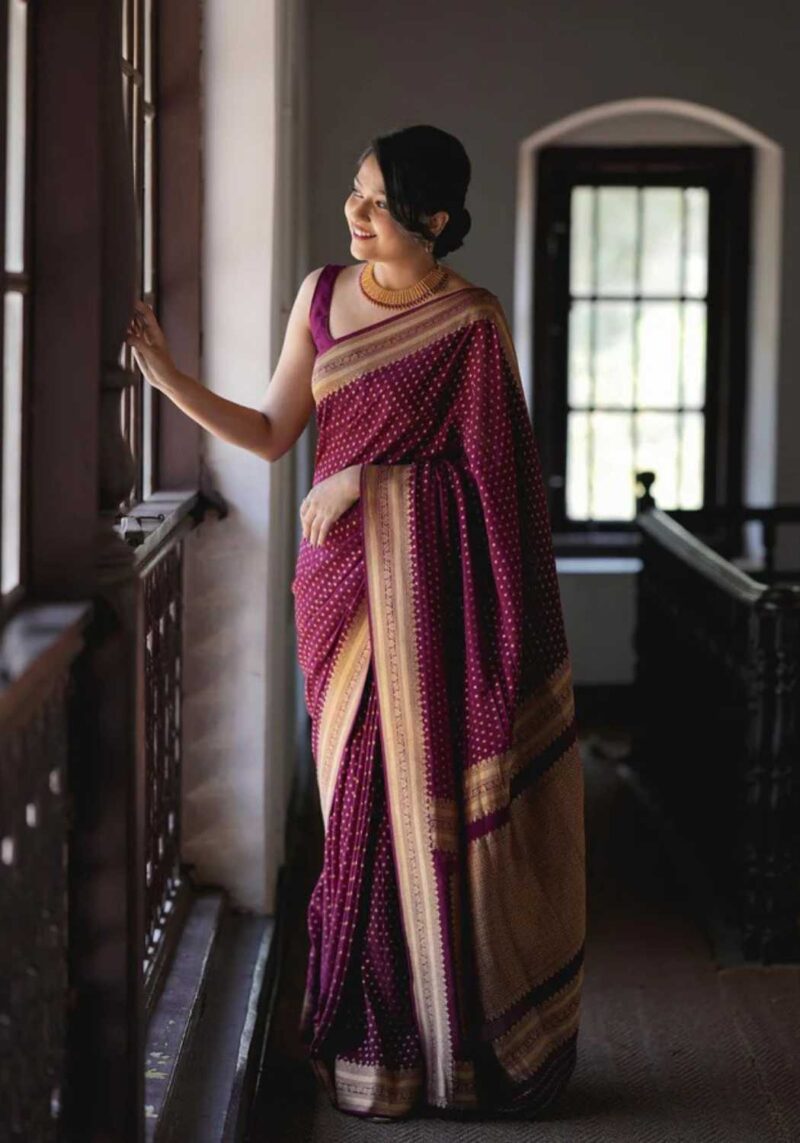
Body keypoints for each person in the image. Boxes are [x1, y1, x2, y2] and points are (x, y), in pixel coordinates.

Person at [126, 124, 586, 1123]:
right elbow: (270, 432)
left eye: (377, 202)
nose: (355, 212)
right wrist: (166, 380)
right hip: (339, 596)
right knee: (356, 822)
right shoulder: (320, 294)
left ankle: (442, 1047)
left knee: (420, 817)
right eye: (354, 192)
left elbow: (499, 492)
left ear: (433, 219)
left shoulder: (470, 325)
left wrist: (372, 484)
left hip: (432, 604)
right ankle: (374, 1051)